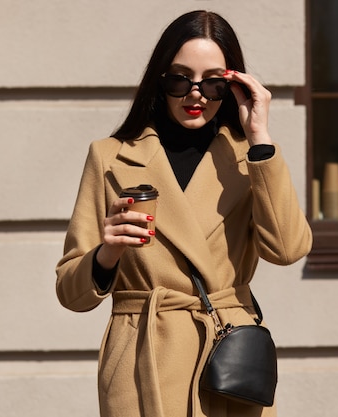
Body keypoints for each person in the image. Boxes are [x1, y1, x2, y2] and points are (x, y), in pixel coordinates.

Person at [56, 10, 312, 417]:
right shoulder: (109, 157)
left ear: (232, 86)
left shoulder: (250, 159)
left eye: (212, 82)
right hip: (142, 358)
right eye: (180, 79)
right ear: (161, 81)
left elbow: (287, 249)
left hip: (226, 359)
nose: (196, 94)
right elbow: (71, 292)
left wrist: (260, 139)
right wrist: (107, 253)